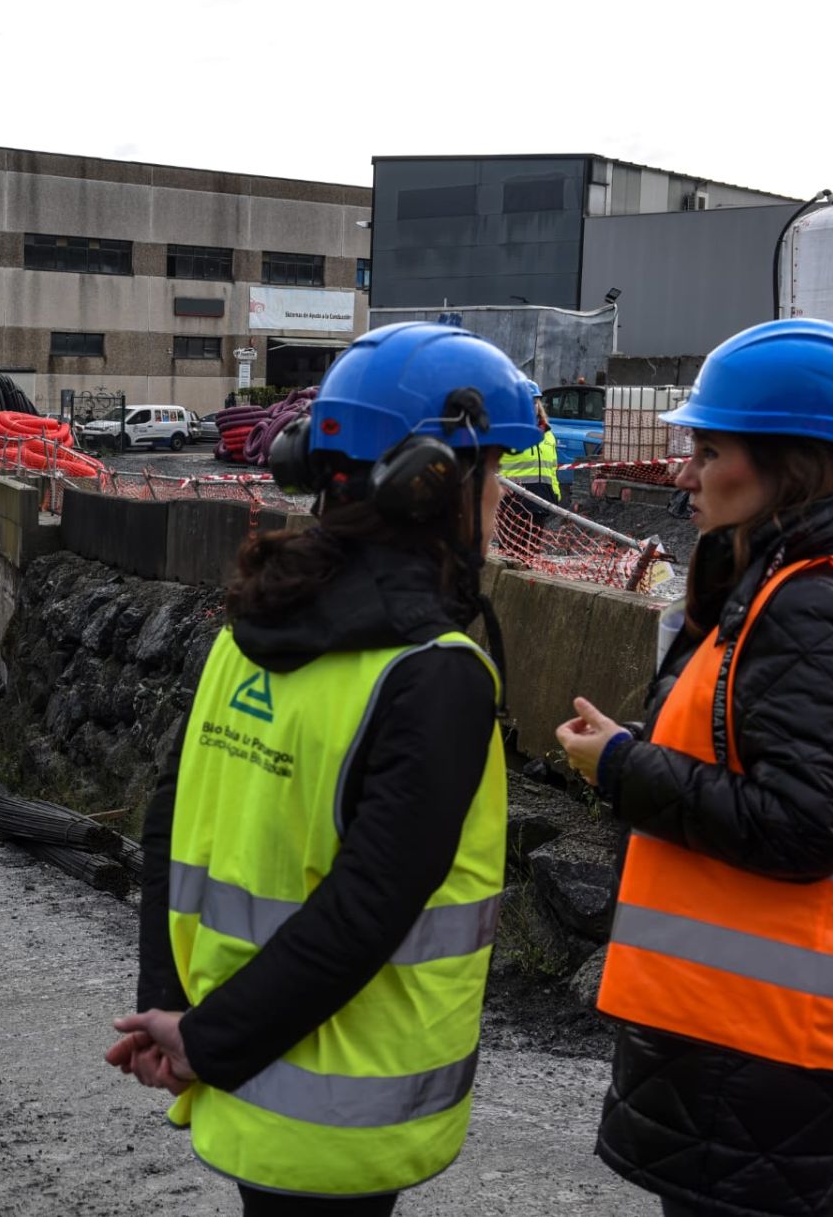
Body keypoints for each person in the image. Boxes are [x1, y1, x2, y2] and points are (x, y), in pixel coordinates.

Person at [555, 318, 833, 1217]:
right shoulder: (794, 586)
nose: (682, 472)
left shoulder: (812, 603)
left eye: (709, 449)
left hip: (770, 1040)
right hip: (767, 1036)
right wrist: (639, 745)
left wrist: (623, 767)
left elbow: (801, 825)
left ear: (787, 465)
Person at [105, 322, 542, 1214]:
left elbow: (168, 821)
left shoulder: (248, 633)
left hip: (242, 1071)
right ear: (434, 483)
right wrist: (200, 1039)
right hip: (342, 1098)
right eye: (492, 471)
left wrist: (176, 1014)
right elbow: (368, 908)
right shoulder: (433, 672)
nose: (500, 498)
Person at [500, 378, 561, 521]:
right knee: (512, 544)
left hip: (541, 503)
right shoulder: (504, 432)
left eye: (534, 402)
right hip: (512, 504)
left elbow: (552, 469)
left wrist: (555, 494)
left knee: (533, 544)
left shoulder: (548, 434)